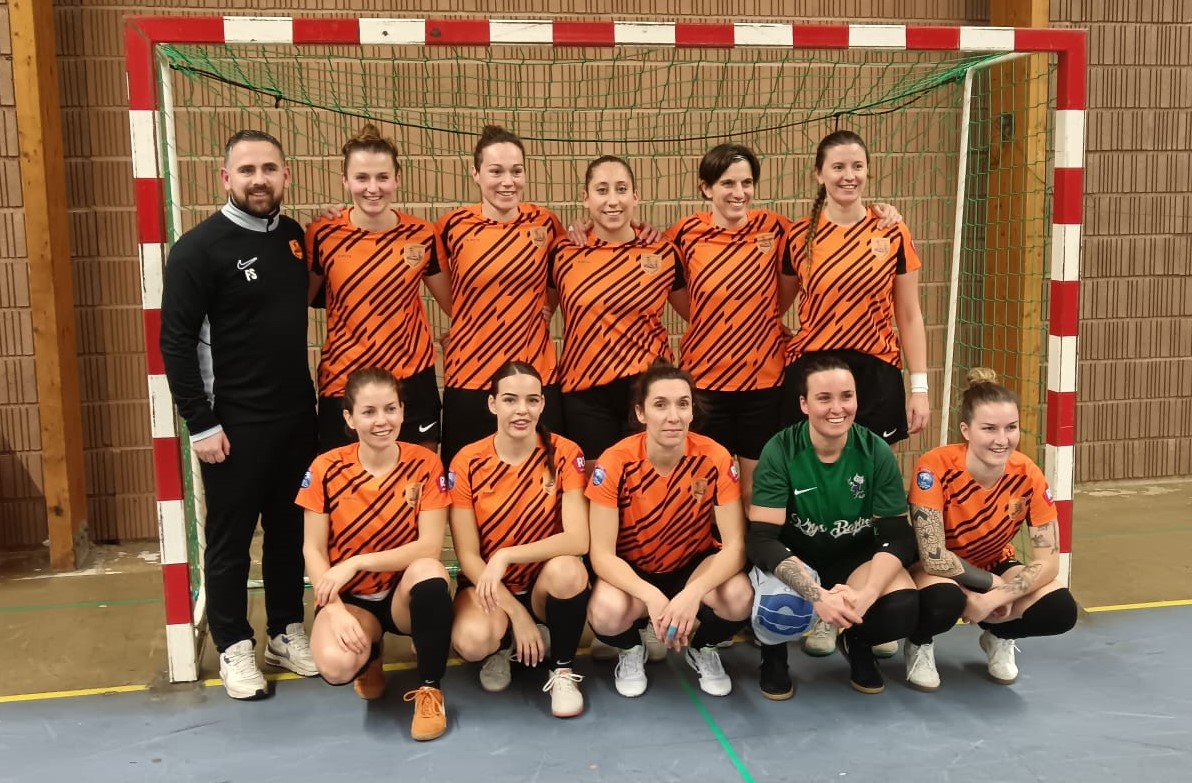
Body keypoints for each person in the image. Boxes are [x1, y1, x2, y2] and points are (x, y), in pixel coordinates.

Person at [159, 130, 317, 700]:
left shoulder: (294, 238)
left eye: (269, 168)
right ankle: (233, 643)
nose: (259, 180)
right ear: (225, 178)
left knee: (289, 532)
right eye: (247, 170)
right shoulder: (198, 249)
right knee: (229, 541)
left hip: (296, 417)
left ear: (286, 175)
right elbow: (176, 342)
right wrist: (200, 422)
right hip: (232, 424)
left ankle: (284, 630)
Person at [781, 129, 928, 657]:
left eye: (857, 166)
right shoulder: (798, 236)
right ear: (819, 174)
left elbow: (909, 314)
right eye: (838, 167)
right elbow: (773, 304)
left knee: (869, 495)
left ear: (868, 170)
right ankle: (823, 606)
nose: (849, 176)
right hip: (818, 371)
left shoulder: (891, 230)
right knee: (818, 492)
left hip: (876, 372)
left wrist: (919, 386)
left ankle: (865, 603)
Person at [746, 356, 919, 699]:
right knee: (780, 607)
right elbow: (762, 539)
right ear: (804, 404)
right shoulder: (781, 449)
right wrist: (816, 594)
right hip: (796, 556)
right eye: (824, 398)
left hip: (853, 558)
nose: (837, 408)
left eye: (846, 396)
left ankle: (857, 642)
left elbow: (897, 537)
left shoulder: (875, 450)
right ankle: (774, 656)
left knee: (902, 606)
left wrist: (867, 595)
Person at [297, 367, 454, 741]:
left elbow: (429, 547)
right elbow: (312, 549)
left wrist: (356, 562)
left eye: (390, 409)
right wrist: (334, 609)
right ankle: (369, 654)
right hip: (353, 599)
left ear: (402, 411)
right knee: (336, 666)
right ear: (349, 418)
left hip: (402, 594)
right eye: (368, 412)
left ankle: (430, 690)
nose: (381, 421)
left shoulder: (425, 463)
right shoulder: (326, 468)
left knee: (431, 572)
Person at [586, 362, 753, 698]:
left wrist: (692, 594)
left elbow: (735, 547)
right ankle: (631, 649)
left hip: (691, 564)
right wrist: (651, 596)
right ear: (641, 413)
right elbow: (601, 554)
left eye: (682, 404)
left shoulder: (714, 457)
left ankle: (702, 648)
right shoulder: (615, 461)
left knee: (739, 598)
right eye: (660, 405)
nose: (673, 416)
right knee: (605, 613)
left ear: (692, 411)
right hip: (634, 568)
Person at [904, 368, 1077, 691]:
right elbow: (933, 556)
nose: (1002, 440)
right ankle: (919, 642)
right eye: (989, 428)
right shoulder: (935, 466)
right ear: (966, 430)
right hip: (936, 569)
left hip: (993, 562)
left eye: (1011, 427)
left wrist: (995, 597)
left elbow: (1049, 562)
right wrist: (987, 587)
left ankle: (1000, 634)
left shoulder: (1028, 474)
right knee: (944, 600)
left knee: (1060, 609)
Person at [448, 363, 591, 718]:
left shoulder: (564, 453)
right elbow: (468, 556)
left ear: (542, 404)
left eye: (532, 400)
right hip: (489, 588)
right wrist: (516, 615)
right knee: (471, 641)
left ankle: (562, 670)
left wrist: (507, 555)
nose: (521, 410)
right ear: (493, 404)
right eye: (510, 400)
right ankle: (505, 643)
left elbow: (578, 539)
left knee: (570, 571)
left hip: (543, 583)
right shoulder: (467, 461)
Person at [305, 124, 451, 453]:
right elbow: (298, 303)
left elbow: (458, 305)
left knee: (420, 477)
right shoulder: (322, 233)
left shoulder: (422, 234)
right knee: (346, 481)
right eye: (362, 178)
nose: (373, 188)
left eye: (383, 177)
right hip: (345, 380)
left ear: (397, 179)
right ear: (345, 181)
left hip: (411, 380)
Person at [664, 144, 795, 508]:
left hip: (764, 381)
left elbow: (826, 227)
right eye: (727, 183)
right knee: (708, 488)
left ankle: (756, 545)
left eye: (746, 183)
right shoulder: (683, 234)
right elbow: (683, 300)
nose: (739, 193)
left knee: (758, 489)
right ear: (706, 188)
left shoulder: (776, 228)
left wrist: (881, 212)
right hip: (706, 382)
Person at [435, 125, 565, 468]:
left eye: (516, 171)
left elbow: (561, 278)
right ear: (475, 173)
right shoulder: (451, 226)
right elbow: (449, 296)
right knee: (465, 477)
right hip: (470, 375)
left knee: (543, 478)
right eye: (496, 171)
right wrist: (470, 323)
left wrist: (544, 308)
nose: (508, 181)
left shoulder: (546, 223)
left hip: (535, 374)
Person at [549, 155, 689, 464]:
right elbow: (537, 310)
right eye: (602, 190)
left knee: (647, 482)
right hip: (585, 391)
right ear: (585, 198)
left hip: (648, 387)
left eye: (621, 189)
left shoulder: (663, 251)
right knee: (596, 483)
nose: (612, 200)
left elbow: (698, 313)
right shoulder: (562, 251)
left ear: (635, 196)